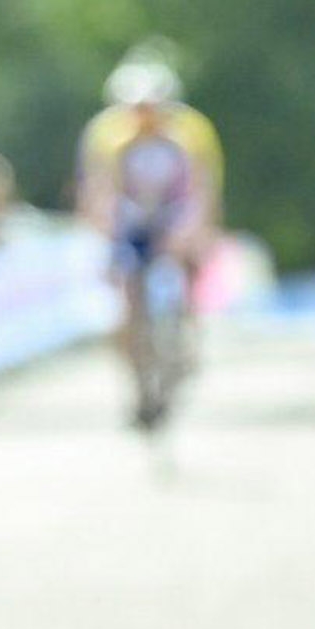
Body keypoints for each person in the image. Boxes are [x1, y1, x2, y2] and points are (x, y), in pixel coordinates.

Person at [75, 46, 224, 428]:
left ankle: (185, 339)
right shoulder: (108, 138)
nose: (145, 118)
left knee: (184, 267)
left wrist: (194, 234)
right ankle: (138, 383)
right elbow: (98, 193)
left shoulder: (188, 137)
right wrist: (106, 239)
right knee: (126, 299)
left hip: (175, 215)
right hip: (131, 221)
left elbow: (202, 193)